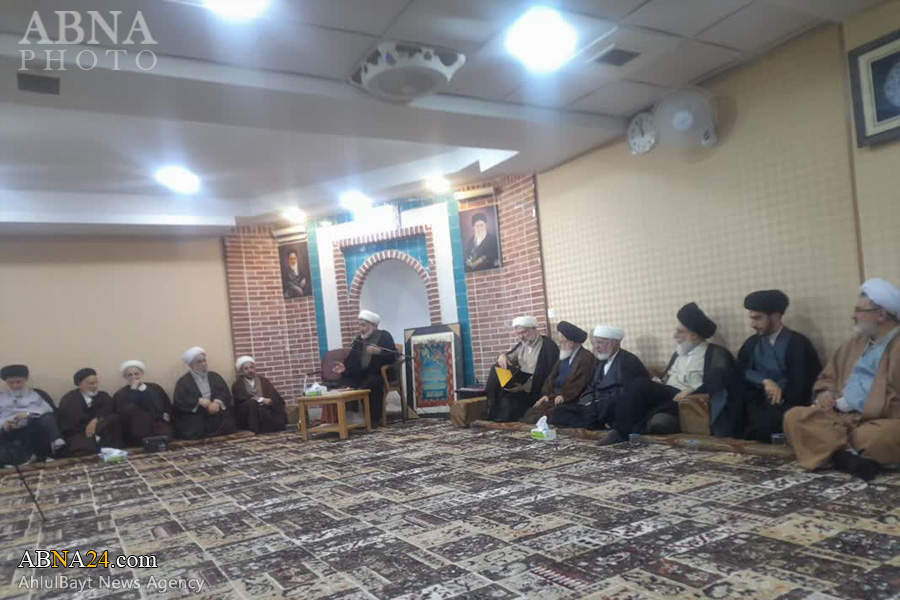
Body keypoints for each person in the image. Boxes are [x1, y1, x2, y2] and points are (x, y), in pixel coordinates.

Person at [784, 278, 900, 481]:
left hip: (880, 421)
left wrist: (863, 404)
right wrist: (826, 394)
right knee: (795, 416)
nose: (853, 316)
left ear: (881, 315)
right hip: (840, 417)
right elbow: (828, 378)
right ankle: (845, 456)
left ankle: (834, 451)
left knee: (872, 437)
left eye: (859, 311)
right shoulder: (853, 344)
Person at [600, 303, 734, 445]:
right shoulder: (679, 353)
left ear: (694, 336)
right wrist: (658, 381)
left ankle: (621, 432)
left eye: (680, 332)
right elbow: (667, 378)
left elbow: (717, 385)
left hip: (688, 398)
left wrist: (692, 391)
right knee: (631, 388)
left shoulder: (716, 354)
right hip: (670, 395)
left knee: (640, 384)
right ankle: (625, 430)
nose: (675, 336)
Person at [726, 290, 821, 441]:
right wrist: (765, 381)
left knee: (766, 423)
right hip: (754, 400)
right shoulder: (752, 343)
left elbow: (801, 385)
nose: (752, 324)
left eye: (758, 318)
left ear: (775, 316)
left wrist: (777, 389)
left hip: (785, 402)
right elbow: (741, 370)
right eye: (751, 318)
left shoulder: (798, 344)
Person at [549, 326, 649, 430]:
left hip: (614, 408)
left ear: (614, 343)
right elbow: (591, 386)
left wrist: (599, 403)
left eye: (600, 343)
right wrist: (586, 401)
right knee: (558, 412)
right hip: (595, 407)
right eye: (595, 343)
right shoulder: (602, 361)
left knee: (591, 416)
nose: (596, 347)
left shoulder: (628, 361)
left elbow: (631, 393)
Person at [485, 316, 560, 422]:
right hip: (520, 384)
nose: (521, 336)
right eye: (518, 333)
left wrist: (524, 387)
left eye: (524, 332)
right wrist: (501, 356)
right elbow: (509, 357)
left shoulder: (548, 346)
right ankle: (490, 405)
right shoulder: (522, 345)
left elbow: (551, 375)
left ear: (534, 329)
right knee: (496, 368)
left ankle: (495, 410)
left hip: (536, 390)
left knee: (510, 404)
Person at [521, 321, 596, 424]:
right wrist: (546, 394)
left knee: (552, 414)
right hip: (555, 396)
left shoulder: (586, 357)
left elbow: (579, 382)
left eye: (562, 342)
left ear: (571, 343)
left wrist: (564, 396)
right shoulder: (564, 355)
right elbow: (551, 377)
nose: (560, 345)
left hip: (573, 398)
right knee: (532, 412)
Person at [332, 310, 396, 423]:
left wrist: (379, 352)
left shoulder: (384, 336)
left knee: (370, 383)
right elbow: (352, 359)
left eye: (363, 325)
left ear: (374, 326)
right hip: (361, 374)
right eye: (359, 325)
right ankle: (347, 418)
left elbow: (393, 356)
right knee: (345, 383)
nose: (361, 329)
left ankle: (373, 419)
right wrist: (344, 368)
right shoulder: (359, 340)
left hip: (378, 373)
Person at [0, 364, 65, 465]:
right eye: (11, 383)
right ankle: (19, 460)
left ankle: (45, 453)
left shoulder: (36, 394)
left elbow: (47, 411)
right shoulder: (2, 397)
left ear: (26, 379)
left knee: (38, 424)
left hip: (32, 424)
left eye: (18, 382)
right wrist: (3, 424)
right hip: (10, 428)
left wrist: (28, 414)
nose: (15, 386)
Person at [173, 347, 237, 440]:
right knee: (193, 425)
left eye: (204, 361)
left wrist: (217, 403)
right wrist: (198, 401)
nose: (203, 364)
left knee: (226, 421)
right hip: (197, 413)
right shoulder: (183, 382)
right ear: (191, 365)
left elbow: (224, 393)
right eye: (199, 362)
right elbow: (179, 401)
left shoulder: (215, 376)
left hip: (215, 409)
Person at [57, 368, 122, 456]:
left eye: (96, 383)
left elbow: (109, 412)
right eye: (91, 383)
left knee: (114, 420)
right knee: (83, 447)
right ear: (80, 384)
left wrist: (96, 421)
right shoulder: (69, 399)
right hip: (80, 433)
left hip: (101, 431)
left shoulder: (103, 396)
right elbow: (70, 425)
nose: (95, 386)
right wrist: (89, 428)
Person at [113, 360, 174, 446]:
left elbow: (167, 404)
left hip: (158, 424)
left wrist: (167, 416)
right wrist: (133, 390)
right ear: (126, 377)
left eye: (136, 374)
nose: (134, 377)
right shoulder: (120, 394)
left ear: (142, 374)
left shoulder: (155, 388)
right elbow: (125, 415)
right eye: (130, 375)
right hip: (137, 428)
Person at [231, 356, 288, 433]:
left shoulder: (263, 381)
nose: (250, 370)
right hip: (250, 411)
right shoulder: (238, 384)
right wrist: (261, 400)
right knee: (251, 404)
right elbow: (242, 398)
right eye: (246, 369)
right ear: (241, 371)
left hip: (265, 408)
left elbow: (273, 395)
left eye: (251, 367)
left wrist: (270, 401)